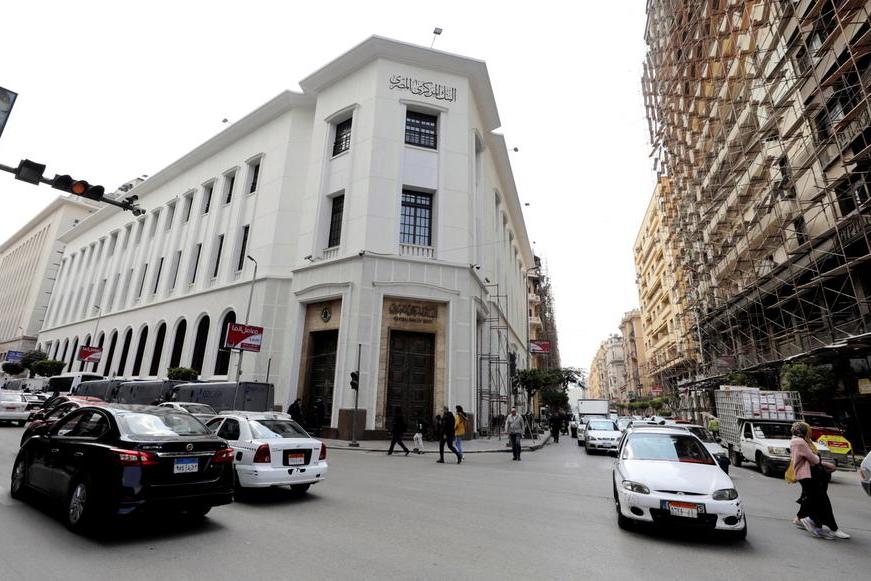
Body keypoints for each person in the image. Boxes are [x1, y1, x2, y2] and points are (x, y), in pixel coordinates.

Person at [789, 421, 849, 539]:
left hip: (809, 474)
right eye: (808, 430)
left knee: (813, 499)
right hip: (808, 474)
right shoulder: (800, 442)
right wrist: (819, 459)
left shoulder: (797, 441)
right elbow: (813, 459)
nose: (809, 432)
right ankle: (816, 523)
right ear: (803, 431)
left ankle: (811, 522)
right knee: (821, 500)